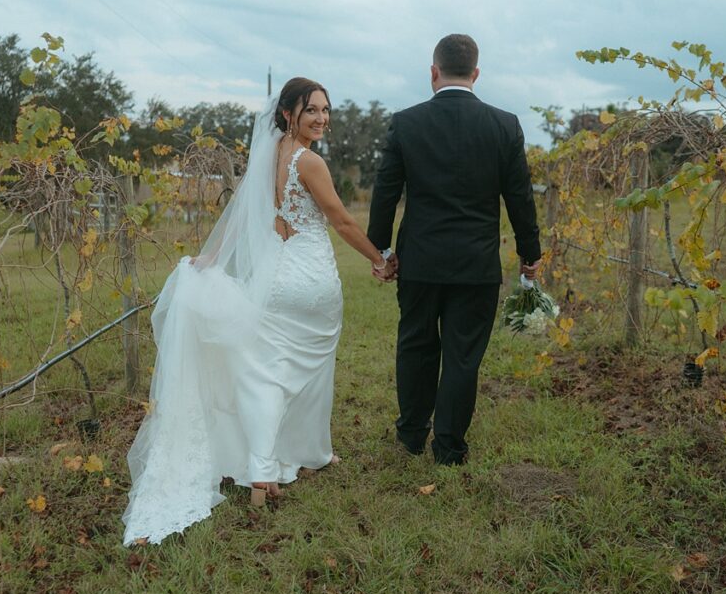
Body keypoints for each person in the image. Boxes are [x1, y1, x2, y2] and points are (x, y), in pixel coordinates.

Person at [122, 78, 391, 546]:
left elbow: (238, 218)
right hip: (310, 280)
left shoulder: (268, 155)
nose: (321, 118)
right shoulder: (310, 161)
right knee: (307, 370)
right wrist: (379, 258)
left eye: (326, 110)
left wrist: (210, 260)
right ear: (288, 113)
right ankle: (300, 455)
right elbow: (343, 220)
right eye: (312, 110)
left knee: (269, 371)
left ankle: (273, 467)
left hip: (274, 279)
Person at [367, 34, 542, 466]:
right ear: (476, 74)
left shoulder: (406, 123)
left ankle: (410, 435)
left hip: (420, 260)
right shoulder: (505, 125)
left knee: (415, 345)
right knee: (463, 356)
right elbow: (520, 197)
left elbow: (384, 194)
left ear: (434, 72)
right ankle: (448, 447)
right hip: (475, 264)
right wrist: (529, 252)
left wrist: (382, 250)